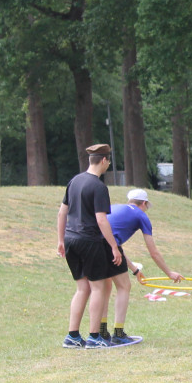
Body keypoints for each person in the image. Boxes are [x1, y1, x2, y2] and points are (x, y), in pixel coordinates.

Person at [57, 144, 122, 348]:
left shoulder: (74, 181)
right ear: (103, 161)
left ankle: (73, 336)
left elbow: (62, 213)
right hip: (89, 241)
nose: (108, 165)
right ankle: (94, 337)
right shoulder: (98, 187)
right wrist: (114, 247)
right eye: (108, 162)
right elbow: (101, 220)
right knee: (98, 288)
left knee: (81, 288)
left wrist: (60, 241)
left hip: (70, 239)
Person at [100, 188, 184, 344]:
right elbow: (154, 252)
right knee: (124, 286)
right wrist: (169, 273)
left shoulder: (114, 208)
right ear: (144, 203)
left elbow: (115, 245)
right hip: (107, 247)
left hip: (92, 245)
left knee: (105, 287)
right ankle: (118, 333)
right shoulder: (141, 216)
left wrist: (135, 270)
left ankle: (102, 332)